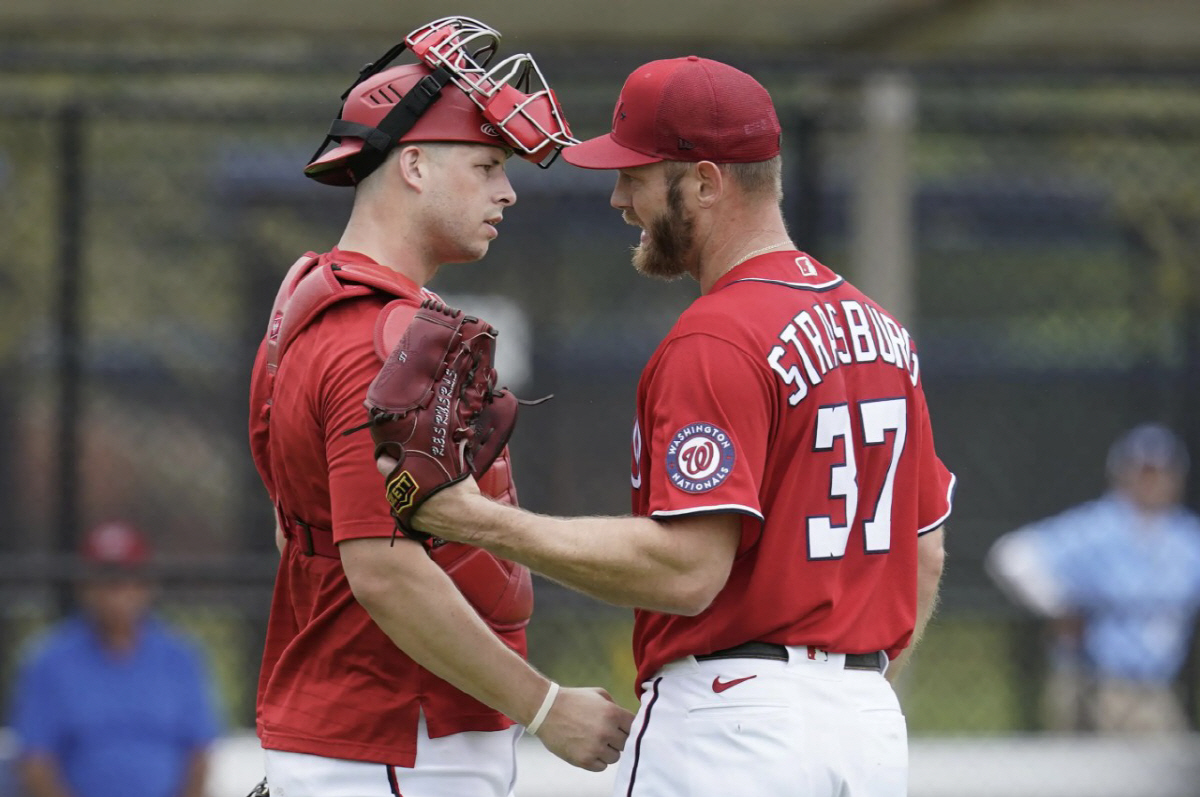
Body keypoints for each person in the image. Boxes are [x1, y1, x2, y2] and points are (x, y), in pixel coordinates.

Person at [390, 56, 955, 796]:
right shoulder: (880, 330)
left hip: (735, 723)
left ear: (707, 182)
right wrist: (835, 693)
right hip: (867, 724)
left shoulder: (717, 336)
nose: (620, 199)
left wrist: (474, 520)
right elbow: (925, 554)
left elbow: (686, 572)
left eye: (637, 176)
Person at [245, 19, 632, 797]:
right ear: (414, 165)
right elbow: (384, 571)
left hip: (367, 737)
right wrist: (545, 706)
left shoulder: (315, 300)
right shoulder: (377, 337)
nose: (507, 191)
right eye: (486, 165)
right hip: (395, 740)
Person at [987, 422, 1200, 734]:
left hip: (1157, 687)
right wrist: (1060, 607)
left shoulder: (1186, 537)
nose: (1153, 482)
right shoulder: (1097, 527)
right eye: (1144, 472)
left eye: (1162, 472)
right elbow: (1012, 557)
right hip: (1094, 683)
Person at [8, 520, 220, 797]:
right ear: (84, 586)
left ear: (148, 584)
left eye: (129, 578)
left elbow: (200, 754)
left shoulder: (180, 657)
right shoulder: (48, 661)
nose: (118, 592)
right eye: (106, 580)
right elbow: (35, 761)